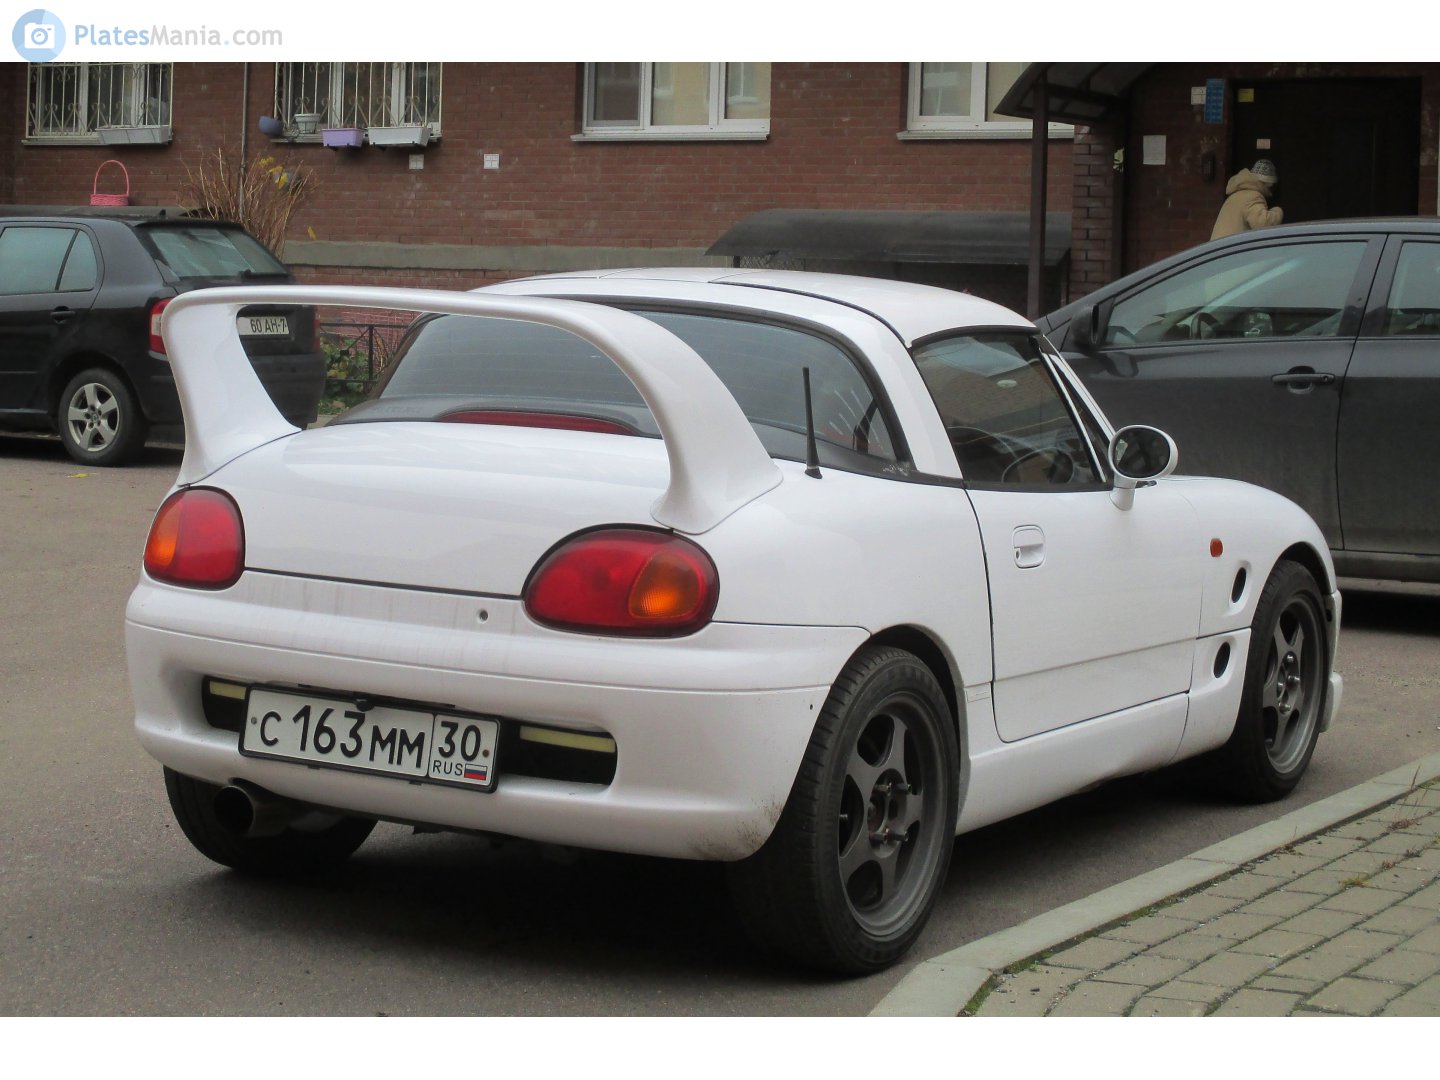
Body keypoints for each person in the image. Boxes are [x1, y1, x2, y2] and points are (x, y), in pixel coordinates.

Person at [1211, 158, 1283, 240]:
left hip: (1221, 246)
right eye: (1271, 187)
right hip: (1232, 247)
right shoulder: (1252, 196)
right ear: (1266, 183)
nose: (1271, 193)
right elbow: (1263, 223)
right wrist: (1278, 211)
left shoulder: (1235, 195)